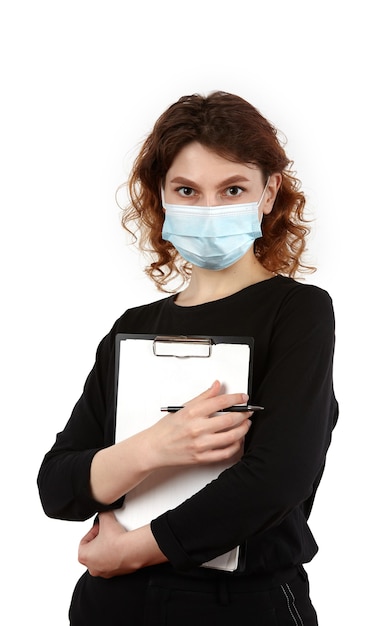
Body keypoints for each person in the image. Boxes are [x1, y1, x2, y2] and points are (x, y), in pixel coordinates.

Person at [37, 91, 338, 625]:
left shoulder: (297, 312)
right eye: (187, 190)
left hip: (240, 607)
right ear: (162, 197)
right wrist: (155, 446)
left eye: (232, 190)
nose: (209, 210)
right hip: (112, 606)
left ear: (269, 193)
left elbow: (276, 480)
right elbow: (58, 487)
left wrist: (127, 551)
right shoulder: (132, 328)